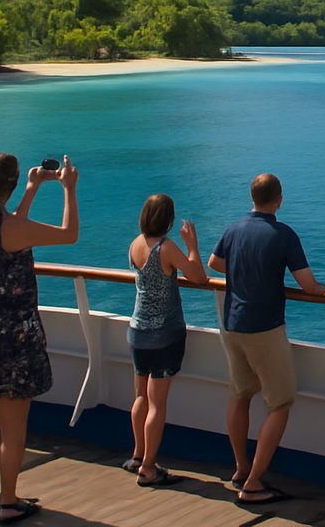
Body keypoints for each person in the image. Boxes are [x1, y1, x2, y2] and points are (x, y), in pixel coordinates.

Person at [0, 153, 79, 523]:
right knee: (12, 427)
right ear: (5, 187)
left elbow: (11, 226)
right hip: (13, 337)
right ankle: (9, 502)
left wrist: (31, 188)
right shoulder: (12, 228)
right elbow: (69, 234)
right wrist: (69, 189)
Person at [208, 173, 325, 505]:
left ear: (252, 197)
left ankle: (240, 468)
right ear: (279, 200)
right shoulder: (283, 234)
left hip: (233, 324)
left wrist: (244, 271)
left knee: (240, 394)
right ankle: (253, 484)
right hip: (265, 328)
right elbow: (309, 285)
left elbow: (214, 263)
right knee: (279, 403)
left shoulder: (233, 229)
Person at [125, 193, 208, 488]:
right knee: (157, 404)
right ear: (169, 220)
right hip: (163, 335)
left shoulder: (135, 244)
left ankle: (137, 456)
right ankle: (148, 468)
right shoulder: (166, 247)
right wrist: (192, 246)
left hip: (137, 330)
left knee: (140, 397)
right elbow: (199, 276)